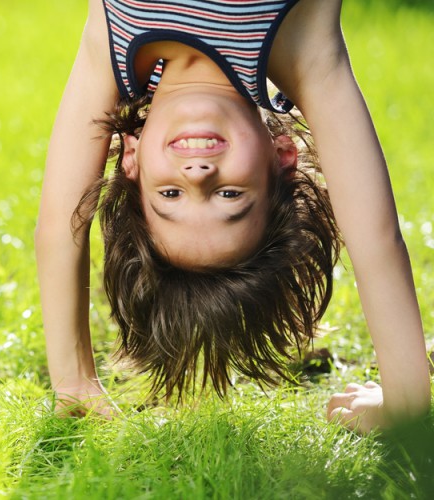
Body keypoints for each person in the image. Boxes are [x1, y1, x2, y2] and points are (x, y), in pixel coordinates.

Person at [35, 0, 431, 433]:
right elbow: (375, 238)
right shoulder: (303, 51)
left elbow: (61, 225)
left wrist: (74, 383)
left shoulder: (110, 48)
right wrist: (407, 402)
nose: (198, 176)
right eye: (229, 195)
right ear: (282, 158)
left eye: (170, 194)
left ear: (131, 160)